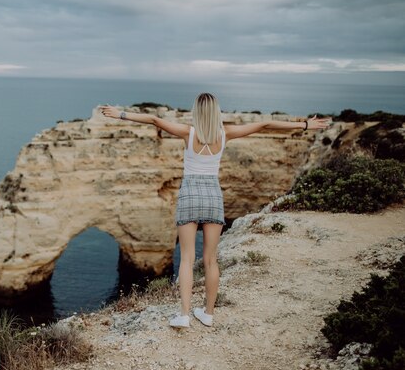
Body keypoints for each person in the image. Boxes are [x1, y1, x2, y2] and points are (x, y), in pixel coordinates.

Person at [100, 94, 331, 328]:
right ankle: (208, 314)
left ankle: (184, 315)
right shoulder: (225, 134)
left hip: (190, 195)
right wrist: (304, 125)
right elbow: (265, 124)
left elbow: (153, 120)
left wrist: (120, 114)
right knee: (211, 260)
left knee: (187, 259)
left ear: (197, 112)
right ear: (216, 112)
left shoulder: (188, 133)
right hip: (213, 196)